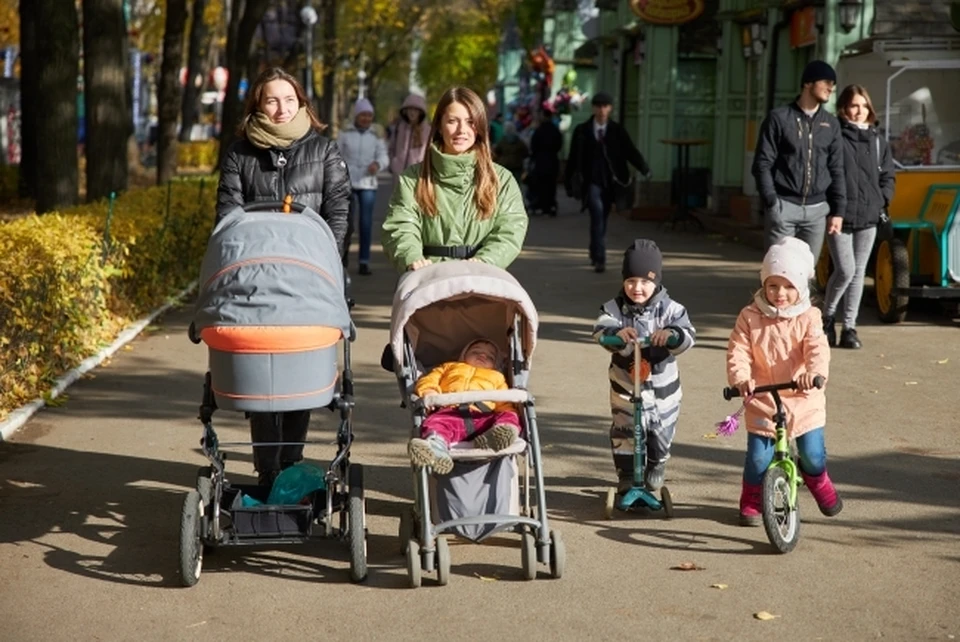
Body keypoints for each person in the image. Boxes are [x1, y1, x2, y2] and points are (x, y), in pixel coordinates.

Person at [215, 67, 351, 487]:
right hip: (255, 282)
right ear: (258, 104)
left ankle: (290, 464)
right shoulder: (241, 154)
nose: (281, 108)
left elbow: (339, 213)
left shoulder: (324, 151)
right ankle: (268, 469)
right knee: (261, 380)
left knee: (299, 375)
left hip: (308, 281)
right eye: (271, 100)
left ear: (302, 103)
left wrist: (327, 264)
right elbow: (228, 216)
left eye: (289, 99)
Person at [726, 237, 843, 526]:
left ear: (802, 288)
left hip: (803, 397)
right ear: (763, 284)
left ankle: (818, 480)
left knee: (813, 454)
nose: (780, 293)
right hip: (764, 398)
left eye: (790, 286)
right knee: (757, 459)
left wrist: (813, 375)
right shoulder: (749, 317)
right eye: (773, 285)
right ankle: (752, 497)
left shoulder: (809, 317)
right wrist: (742, 378)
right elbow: (738, 350)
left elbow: (817, 349)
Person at [381, 86, 529, 272]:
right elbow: (400, 226)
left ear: (480, 127)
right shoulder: (412, 179)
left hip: (482, 279)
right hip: (427, 279)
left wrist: (486, 260)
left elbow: (510, 230)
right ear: (440, 127)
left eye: (470, 122)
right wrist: (412, 257)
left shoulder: (502, 180)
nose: (462, 130)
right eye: (452, 121)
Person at [592, 239, 695, 492]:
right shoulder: (614, 308)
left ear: (656, 281)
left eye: (645, 282)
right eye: (630, 281)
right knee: (625, 427)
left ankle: (657, 463)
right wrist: (615, 333)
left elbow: (688, 335)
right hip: (625, 384)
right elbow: (600, 328)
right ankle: (626, 474)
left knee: (661, 428)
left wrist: (671, 335)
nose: (637, 288)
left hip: (662, 388)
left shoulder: (671, 309)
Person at [823, 85, 895, 349]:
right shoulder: (835, 137)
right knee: (845, 269)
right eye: (854, 105)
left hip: (869, 216)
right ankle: (827, 318)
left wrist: (882, 199)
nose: (860, 111)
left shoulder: (878, 140)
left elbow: (888, 175)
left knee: (858, 273)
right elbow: (828, 175)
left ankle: (849, 328)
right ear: (844, 107)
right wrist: (832, 209)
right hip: (839, 216)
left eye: (864, 105)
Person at [752, 60, 846, 256]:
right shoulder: (779, 118)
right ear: (807, 83)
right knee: (778, 270)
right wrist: (771, 202)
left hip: (817, 211)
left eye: (833, 83)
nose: (831, 87)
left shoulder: (831, 124)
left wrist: (838, 211)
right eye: (826, 81)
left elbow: (836, 168)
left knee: (806, 274)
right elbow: (762, 163)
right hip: (784, 207)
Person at [407, 339, 523, 474]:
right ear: (464, 355)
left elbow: (504, 402)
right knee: (436, 423)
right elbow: (428, 380)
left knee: (508, 413)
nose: (482, 356)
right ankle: (436, 448)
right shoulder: (448, 367)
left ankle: (501, 433)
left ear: (495, 364)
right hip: (450, 412)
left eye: (490, 356)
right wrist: (429, 392)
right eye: (476, 352)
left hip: (483, 416)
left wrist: (509, 415)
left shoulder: (497, 377)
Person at [565, 92, 651, 273]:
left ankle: (594, 249)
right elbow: (572, 159)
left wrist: (644, 168)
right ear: (593, 108)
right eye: (598, 106)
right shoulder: (582, 131)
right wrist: (568, 182)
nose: (602, 110)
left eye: (605, 106)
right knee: (597, 215)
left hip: (612, 183)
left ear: (610, 108)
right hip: (591, 183)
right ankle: (600, 258)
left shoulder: (617, 131)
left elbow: (630, 151)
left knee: (602, 218)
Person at [338, 97, 390, 275]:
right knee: (346, 222)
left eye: (369, 115)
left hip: (368, 183)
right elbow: (337, 155)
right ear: (357, 116)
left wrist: (377, 164)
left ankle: (364, 261)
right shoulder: (345, 134)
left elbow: (384, 157)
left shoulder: (375, 136)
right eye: (363, 115)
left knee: (366, 223)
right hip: (348, 183)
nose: (366, 118)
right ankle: (342, 259)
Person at [527, 107, 563, 217]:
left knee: (541, 185)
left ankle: (543, 206)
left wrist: (533, 158)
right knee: (551, 185)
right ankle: (551, 206)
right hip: (552, 161)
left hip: (541, 161)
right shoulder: (555, 130)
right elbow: (559, 145)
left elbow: (533, 146)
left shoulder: (539, 130)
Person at [388, 93, 431, 178]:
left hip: (418, 175)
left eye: (415, 110)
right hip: (399, 174)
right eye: (409, 109)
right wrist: (393, 163)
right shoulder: (399, 127)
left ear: (421, 112)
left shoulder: (427, 129)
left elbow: (430, 152)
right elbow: (391, 148)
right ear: (405, 111)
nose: (412, 112)